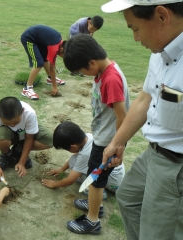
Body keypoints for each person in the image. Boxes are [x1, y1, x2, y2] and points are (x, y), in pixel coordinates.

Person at [100, 1, 183, 239]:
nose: (136, 38)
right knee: (128, 198)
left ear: (161, 16)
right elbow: (146, 97)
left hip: (175, 167)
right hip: (154, 154)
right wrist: (117, 141)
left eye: (135, 28)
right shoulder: (160, 53)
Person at [63, 34, 130, 235]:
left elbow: (123, 116)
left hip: (107, 142)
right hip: (104, 138)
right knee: (96, 180)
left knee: (96, 178)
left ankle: (92, 221)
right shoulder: (104, 71)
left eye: (82, 71)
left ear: (92, 62)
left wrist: (118, 146)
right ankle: (96, 205)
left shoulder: (110, 79)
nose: (83, 74)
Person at [41, 121, 125, 216]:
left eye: (67, 149)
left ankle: (99, 191)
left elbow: (70, 180)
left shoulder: (85, 154)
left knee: (76, 169)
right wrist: (62, 169)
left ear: (73, 146)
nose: (69, 151)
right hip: (117, 175)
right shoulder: (88, 137)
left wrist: (55, 184)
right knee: (74, 161)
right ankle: (98, 188)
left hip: (112, 182)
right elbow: (76, 158)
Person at [0, 96, 53, 177]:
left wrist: (22, 162)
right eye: (7, 123)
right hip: (8, 135)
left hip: (25, 134)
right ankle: (7, 155)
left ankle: (19, 150)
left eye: (16, 122)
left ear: (22, 111)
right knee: (0, 136)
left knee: (52, 139)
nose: (12, 125)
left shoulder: (29, 113)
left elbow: (29, 138)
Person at [21, 25, 66, 100]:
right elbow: (52, 68)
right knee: (39, 63)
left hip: (40, 41)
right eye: (64, 56)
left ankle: (50, 79)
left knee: (45, 59)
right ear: (61, 49)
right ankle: (27, 89)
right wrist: (54, 87)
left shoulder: (60, 42)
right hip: (29, 38)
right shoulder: (54, 48)